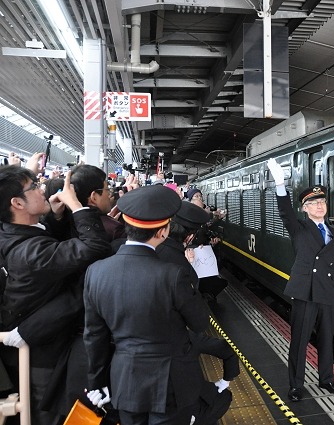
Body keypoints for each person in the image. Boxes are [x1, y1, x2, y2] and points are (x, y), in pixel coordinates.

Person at [83, 185, 213, 425]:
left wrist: (97, 383)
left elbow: (94, 336)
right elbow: (200, 323)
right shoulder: (173, 275)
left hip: (125, 381)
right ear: (163, 232)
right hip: (171, 384)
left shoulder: (96, 272)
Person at [0, 165, 112, 425]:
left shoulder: (12, 234)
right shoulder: (31, 253)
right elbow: (96, 247)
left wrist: (55, 217)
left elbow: (47, 250)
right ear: (17, 203)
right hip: (43, 356)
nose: (43, 189)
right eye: (35, 187)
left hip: (29, 347)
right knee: (45, 414)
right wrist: (77, 207)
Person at [266, 158, 334, 402]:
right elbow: (284, 211)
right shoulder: (299, 228)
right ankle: (295, 385)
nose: (319, 206)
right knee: (299, 342)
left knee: (326, 340)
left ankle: (327, 380)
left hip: (328, 294)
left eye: (322, 201)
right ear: (305, 208)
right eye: (313, 203)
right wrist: (280, 183)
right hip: (305, 292)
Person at [156, 201, 235, 423]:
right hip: (172, 366)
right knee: (214, 401)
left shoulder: (130, 254)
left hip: (131, 375)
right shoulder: (181, 268)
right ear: (189, 238)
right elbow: (198, 321)